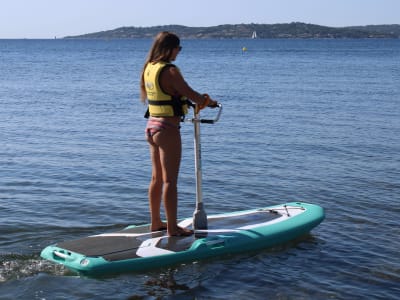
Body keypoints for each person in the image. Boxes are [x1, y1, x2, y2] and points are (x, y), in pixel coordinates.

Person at [140, 32, 218, 236]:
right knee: (170, 181)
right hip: (167, 129)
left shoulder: (149, 67)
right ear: (170, 48)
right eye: (178, 48)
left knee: (156, 178)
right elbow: (192, 95)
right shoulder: (170, 70)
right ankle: (173, 228)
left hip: (151, 127)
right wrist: (209, 102)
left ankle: (156, 222)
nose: (179, 52)